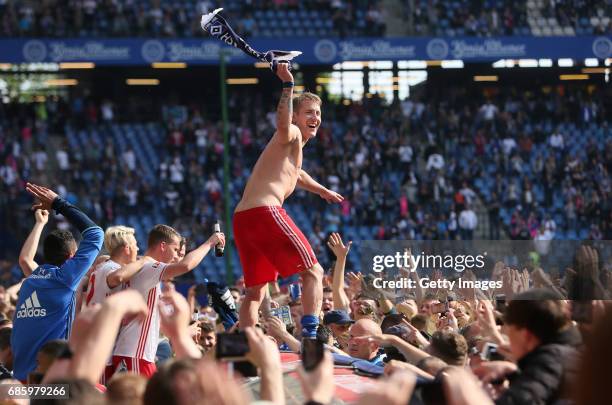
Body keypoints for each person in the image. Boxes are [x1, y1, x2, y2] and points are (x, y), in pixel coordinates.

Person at [233, 62, 343, 338]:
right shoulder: (291, 132)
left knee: (256, 291)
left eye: (318, 113)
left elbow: (298, 174)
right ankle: (310, 335)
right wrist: (288, 85)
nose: (315, 117)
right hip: (265, 211)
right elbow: (283, 124)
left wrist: (321, 191)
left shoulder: (292, 150)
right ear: (297, 116)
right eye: (309, 112)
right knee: (314, 272)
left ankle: (246, 341)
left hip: (243, 218)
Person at [11, 183, 104, 382]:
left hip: (19, 383)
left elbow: (25, 259)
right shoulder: (65, 279)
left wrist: (39, 224)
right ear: (71, 257)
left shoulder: (34, 279)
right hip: (50, 384)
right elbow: (96, 233)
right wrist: (57, 203)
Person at [108, 224, 224, 378]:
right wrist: (210, 242)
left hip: (135, 352)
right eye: (175, 250)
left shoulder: (140, 266)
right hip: (135, 353)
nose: (177, 256)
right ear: (163, 246)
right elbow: (185, 265)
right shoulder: (149, 266)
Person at [84, 226, 141, 307]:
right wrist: (143, 261)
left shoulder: (106, 265)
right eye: (135, 245)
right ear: (127, 248)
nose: (137, 249)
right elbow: (118, 277)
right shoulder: (111, 268)